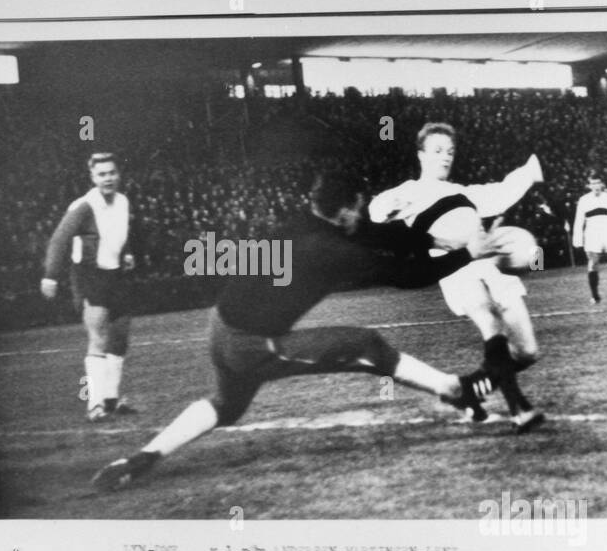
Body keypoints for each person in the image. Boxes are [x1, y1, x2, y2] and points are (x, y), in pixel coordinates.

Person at [91, 168, 503, 491]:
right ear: (344, 210)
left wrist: (429, 237)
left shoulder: (306, 223)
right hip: (250, 344)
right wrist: (466, 253)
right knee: (365, 344)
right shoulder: (327, 251)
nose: (360, 216)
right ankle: (458, 390)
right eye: (357, 209)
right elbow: (405, 276)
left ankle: (141, 459)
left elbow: (373, 234)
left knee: (226, 406)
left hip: (220, 326)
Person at [369, 122, 545, 431]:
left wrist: (530, 170)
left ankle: (463, 389)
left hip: (490, 264)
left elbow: (503, 192)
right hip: (454, 268)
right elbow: (376, 210)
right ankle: (520, 408)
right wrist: (386, 206)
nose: (445, 157)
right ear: (421, 155)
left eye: (450, 151)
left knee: (528, 352)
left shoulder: (465, 192)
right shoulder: (409, 191)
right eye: (437, 151)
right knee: (490, 320)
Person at [41, 152, 139, 421]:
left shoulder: (122, 201)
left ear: (118, 175)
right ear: (93, 177)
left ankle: (111, 399)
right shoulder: (84, 206)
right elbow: (59, 240)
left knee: (120, 335)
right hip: (88, 276)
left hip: (115, 274)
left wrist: (126, 252)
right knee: (98, 337)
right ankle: (94, 404)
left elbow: (118, 230)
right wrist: (50, 275)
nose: (107, 178)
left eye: (112, 173)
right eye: (102, 174)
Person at [572, 174, 607, 304]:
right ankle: (595, 296)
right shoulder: (583, 200)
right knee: (593, 264)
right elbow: (579, 221)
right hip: (592, 235)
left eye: (598, 182)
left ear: (602, 184)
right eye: (593, 183)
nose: (596, 186)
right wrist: (577, 239)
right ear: (589, 185)